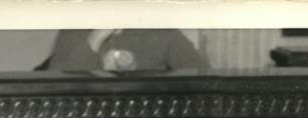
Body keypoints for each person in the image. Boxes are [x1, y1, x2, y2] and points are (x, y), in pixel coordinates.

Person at [42, 29, 208, 71]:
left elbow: (205, 81)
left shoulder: (162, 33)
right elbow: (50, 90)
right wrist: (95, 38)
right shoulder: (73, 32)